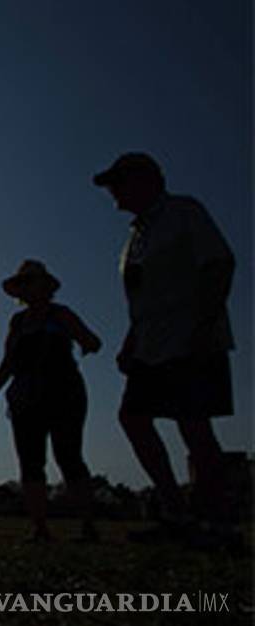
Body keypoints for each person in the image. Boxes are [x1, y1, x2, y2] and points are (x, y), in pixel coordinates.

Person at [92, 152, 237, 545]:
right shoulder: (135, 237)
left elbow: (220, 264)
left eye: (118, 184)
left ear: (145, 181)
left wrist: (204, 326)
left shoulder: (184, 212)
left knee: (194, 426)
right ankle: (174, 512)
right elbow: (143, 300)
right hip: (150, 346)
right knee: (134, 418)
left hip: (191, 336)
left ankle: (220, 523)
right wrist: (130, 342)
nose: (113, 193)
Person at [0, 260, 102, 542]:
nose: (26, 288)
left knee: (69, 457)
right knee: (30, 461)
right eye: (22, 283)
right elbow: (9, 359)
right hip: (25, 397)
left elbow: (92, 341)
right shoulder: (18, 322)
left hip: (64, 393)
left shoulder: (61, 315)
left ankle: (88, 526)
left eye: (30, 281)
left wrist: (85, 343)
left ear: (45, 286)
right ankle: (39, 528)